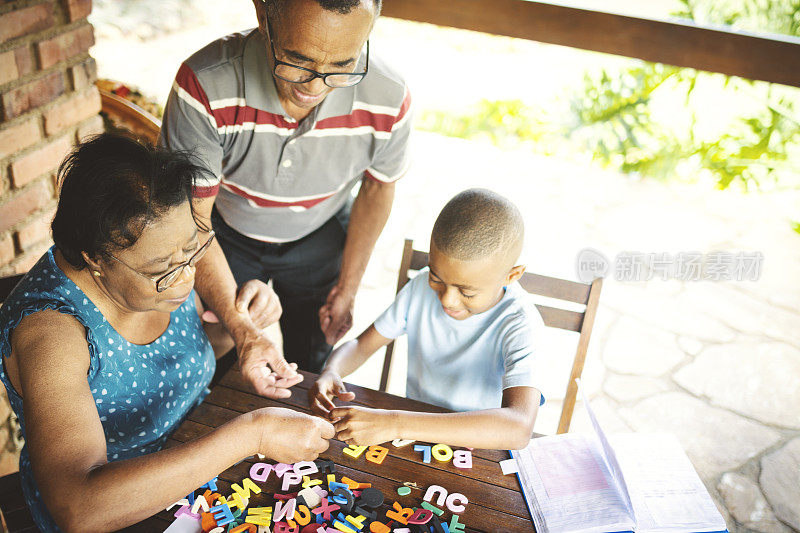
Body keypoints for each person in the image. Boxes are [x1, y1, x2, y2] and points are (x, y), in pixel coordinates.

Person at [0, 134, 334, 532]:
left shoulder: (167, 250)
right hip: (121, 509)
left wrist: (241, 329)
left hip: (194, 469)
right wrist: (253, 435)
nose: (186, 278)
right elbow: (79, 509)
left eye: (193, 250)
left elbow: (164, 365)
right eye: (164, 270)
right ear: (94, 258)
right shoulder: (51, 332)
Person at [159, 0, 412, 378]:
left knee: (312, 358)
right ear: (263, 16)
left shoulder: (389, 97)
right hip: (222, 235)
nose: (314, 87)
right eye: (297, 62)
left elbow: (377, 191)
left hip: (320, 236)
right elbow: (190, 219)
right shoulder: (205, 84)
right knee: (221, 367)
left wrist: (348, 287)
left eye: (342, 66)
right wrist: (241, 329)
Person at [308, 189, 545, 450]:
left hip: (477, 446)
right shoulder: (420, 287)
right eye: (437, 278)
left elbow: (519, 428)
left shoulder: (521, 324)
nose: (447, 300)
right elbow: (362, 346)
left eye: (466, 291)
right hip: (414, 434)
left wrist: (394, 423)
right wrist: (333, 369)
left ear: (511, 276)